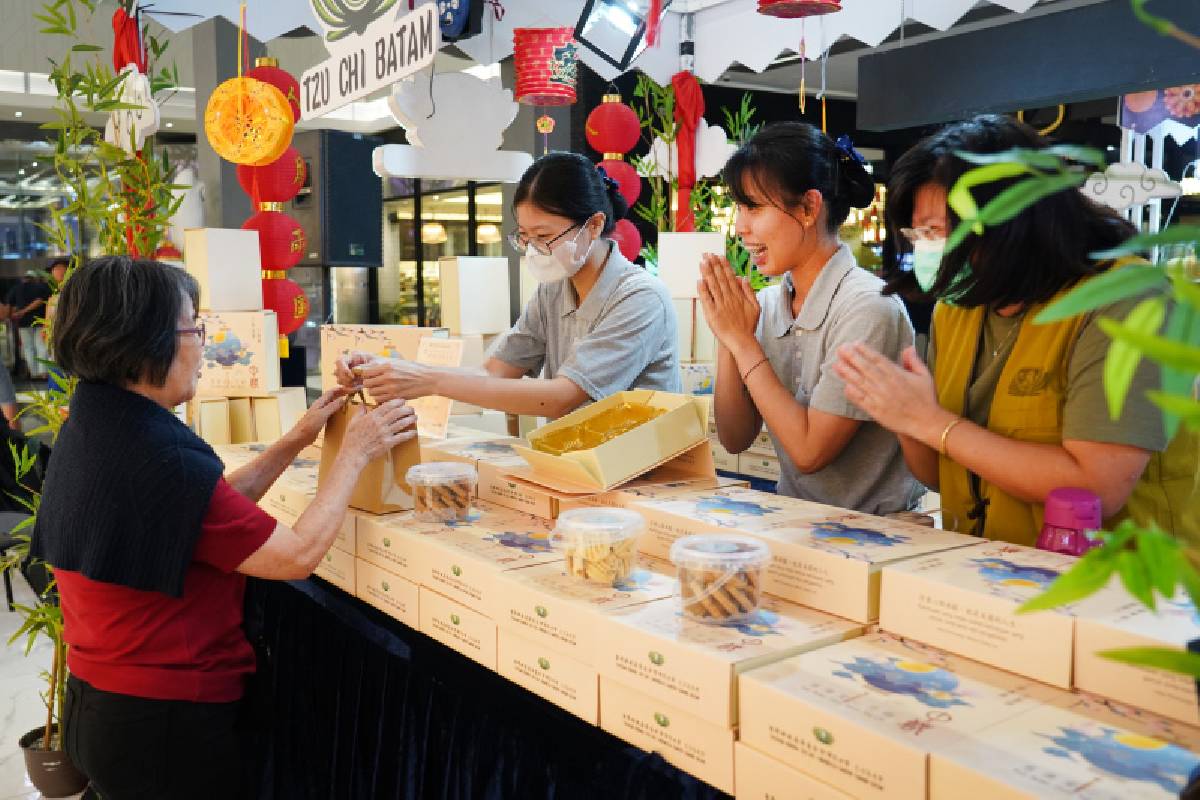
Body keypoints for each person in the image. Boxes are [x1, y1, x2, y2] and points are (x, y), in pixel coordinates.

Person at [32, 256, 417, 799]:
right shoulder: (161, 456)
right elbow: (296, 555)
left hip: (99, 704)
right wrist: (354, 454)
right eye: (194, 327)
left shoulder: (99, 422)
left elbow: (197, 512)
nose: (204, 344)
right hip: (162, 723)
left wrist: (299, 436)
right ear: (148, 341)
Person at [834, 115, 1197, 543]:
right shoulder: (959, 307)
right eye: (919, 234)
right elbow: (940, 474)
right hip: (992, 574)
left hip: (1119, 591)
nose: (927, 249)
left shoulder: (1126, 300)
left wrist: (932, 423)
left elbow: (1097, 488)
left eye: (937, 232)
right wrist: (902, 416)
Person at [336, 152, 680, 417]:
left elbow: (562, 397)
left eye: (544, 236)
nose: (534, 250)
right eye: (525, 237)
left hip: (645, 480)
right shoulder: (554, 290)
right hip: (581, 467)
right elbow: (495, 372)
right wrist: (392, 368)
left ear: (593, 226)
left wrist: (428, 380)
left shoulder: (640, 298)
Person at [701, 122, 922, 514]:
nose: (741, 227)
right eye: (738, 208)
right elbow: (735, 438)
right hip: (794, 524)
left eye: (752, 207)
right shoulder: (768, 303)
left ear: (808, 208)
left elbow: (808, 452)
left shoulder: (869, 307)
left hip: (874, 534)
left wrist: (742, 341)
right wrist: (726, 332)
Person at [6, 268, 52, 378]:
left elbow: (9, 305)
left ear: (24, 278)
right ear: (35, 278)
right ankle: (43, 373)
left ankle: (33, 373)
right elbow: (41, 300)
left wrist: (13, 315)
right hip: (40, 321)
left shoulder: (16, 288)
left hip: (23, 323)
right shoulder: (41, 287)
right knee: (41, 346)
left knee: (28, 347)